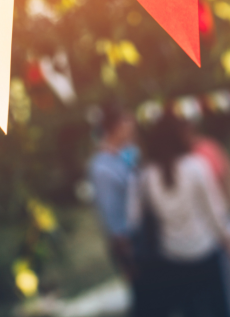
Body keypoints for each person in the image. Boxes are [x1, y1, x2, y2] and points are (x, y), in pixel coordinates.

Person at [129, 112, 230, 317]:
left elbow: (133, 220)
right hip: (206, 252)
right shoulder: (196, 166)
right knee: (220, 309)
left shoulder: (144, 176)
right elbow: (214, 213)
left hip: (171, 258)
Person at [88, 103, 146, 312]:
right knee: (144, 298)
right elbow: (111, 215)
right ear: (118, 127)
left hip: (142, 235)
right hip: (128, 243)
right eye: (128, 124)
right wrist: (126, 255)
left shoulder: (128, 154)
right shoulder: (102, 167)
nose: (133, 129)